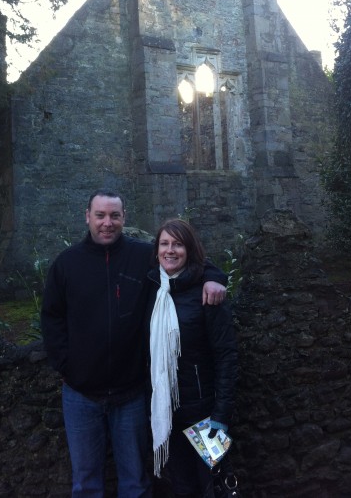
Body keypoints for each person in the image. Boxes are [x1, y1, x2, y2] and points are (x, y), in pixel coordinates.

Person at [41, 190, 227, 497]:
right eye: (100, 215)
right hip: (81, 396)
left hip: (135, 396)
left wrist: (215, 277)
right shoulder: (67, 264)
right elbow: (51, 318)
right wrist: (66, 365)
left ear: (124, 218)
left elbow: (183, 259)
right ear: (87, 216)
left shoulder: (142, 256)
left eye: (114, 215)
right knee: (86, 483)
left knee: (138, 483)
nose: (107, 223)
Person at [148, 218, 237, 497]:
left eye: (178, 244)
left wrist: (221, 414)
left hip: (204, 414)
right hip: (167, 414)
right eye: (164, 243)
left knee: (213, 485)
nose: (170, 250)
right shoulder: (152, 290)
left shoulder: (207, 293)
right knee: (182, 488)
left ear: (190, 249)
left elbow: (226, 355)